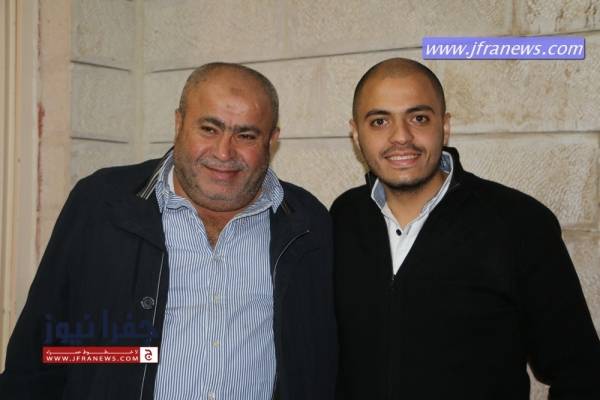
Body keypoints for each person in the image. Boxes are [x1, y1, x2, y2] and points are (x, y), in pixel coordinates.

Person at [0, 63, 337, 400]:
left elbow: (322, 359)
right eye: (209, 129)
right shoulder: (102, 204)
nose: (224, 152)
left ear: (272, 140)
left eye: (246, 135)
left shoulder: (307, 222)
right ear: (179, 123)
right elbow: (39, 355)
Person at [331, 57, 600, 399]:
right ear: (356, 134)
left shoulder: (519, 223)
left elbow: (582, 372)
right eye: (379, 121)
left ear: (445, 126)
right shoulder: (342, 218)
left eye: (418, 118)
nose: (401, 136)